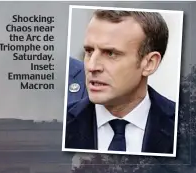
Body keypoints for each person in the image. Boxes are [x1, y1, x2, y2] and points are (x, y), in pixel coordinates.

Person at [64, 10, 175, 155]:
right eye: (89, 51)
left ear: (149, 63)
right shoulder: (62, 124)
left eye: (111, 53)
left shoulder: (186, 127)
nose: (92, 66)